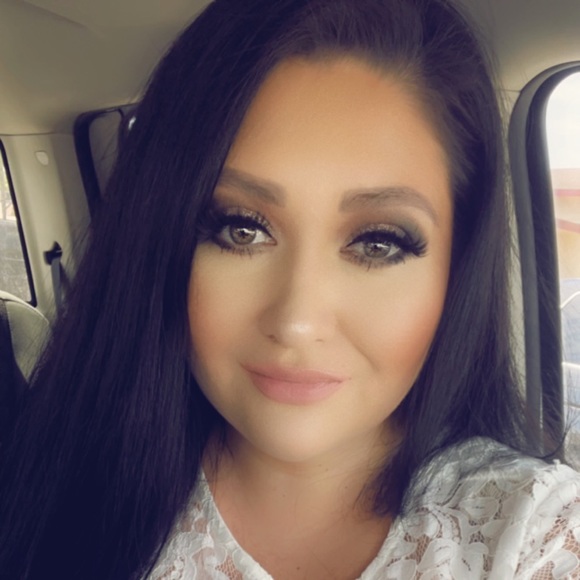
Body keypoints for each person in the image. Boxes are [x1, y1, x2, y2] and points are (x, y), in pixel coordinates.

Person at [1, 0, 579, 578]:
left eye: (378, 243)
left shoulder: (535, 538)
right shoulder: (49, 486)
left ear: (457, 269)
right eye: (241, 229)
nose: (297, 321)